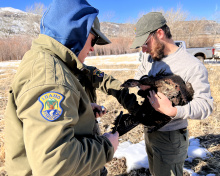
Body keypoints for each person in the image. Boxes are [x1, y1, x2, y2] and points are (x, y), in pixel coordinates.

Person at [5, 0, 120, 175]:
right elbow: (55, 165)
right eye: (93, 39)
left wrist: (82, 111)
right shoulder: (51, 79)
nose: (92, 49)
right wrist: (106, 146)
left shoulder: (45, 63)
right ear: (77, 32)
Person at [130, 12, 213, 176]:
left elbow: (206, 106)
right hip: (150, 131)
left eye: (146, 43)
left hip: (171, 138)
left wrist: (174, 111)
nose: (144, 49)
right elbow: (139, 74)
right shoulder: (150, 58)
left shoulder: (191, 66)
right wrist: (142, 83)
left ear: (159, 33)